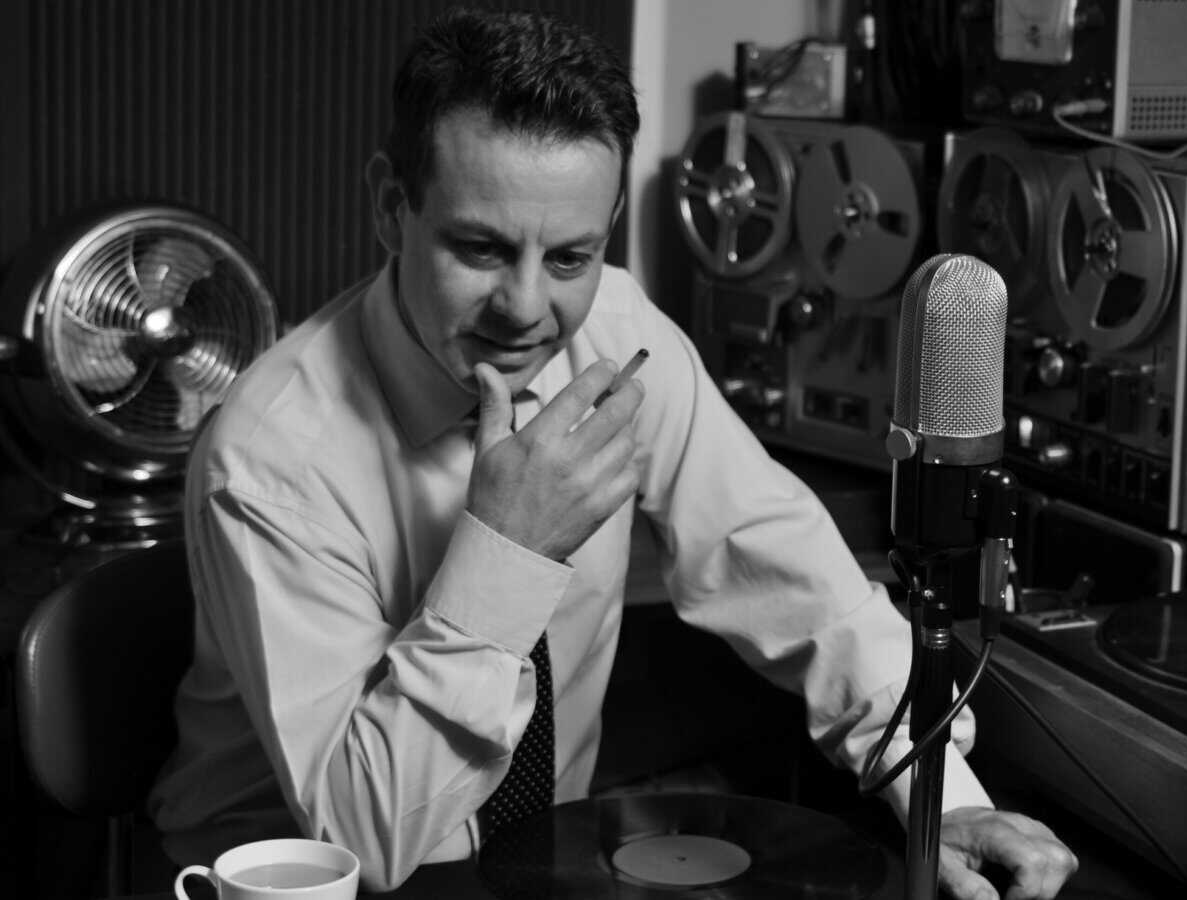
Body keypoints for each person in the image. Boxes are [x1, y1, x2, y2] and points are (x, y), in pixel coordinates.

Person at [149, 7, 1078, 898]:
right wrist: (505, 552)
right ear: (393, 208)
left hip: (547, 861)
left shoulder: (617, 330)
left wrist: (943, 796)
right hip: (283, 883)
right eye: (480, 249)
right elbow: (363, 836)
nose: (525, 309)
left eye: (569, 258)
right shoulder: (270, 460)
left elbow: (785, 564)